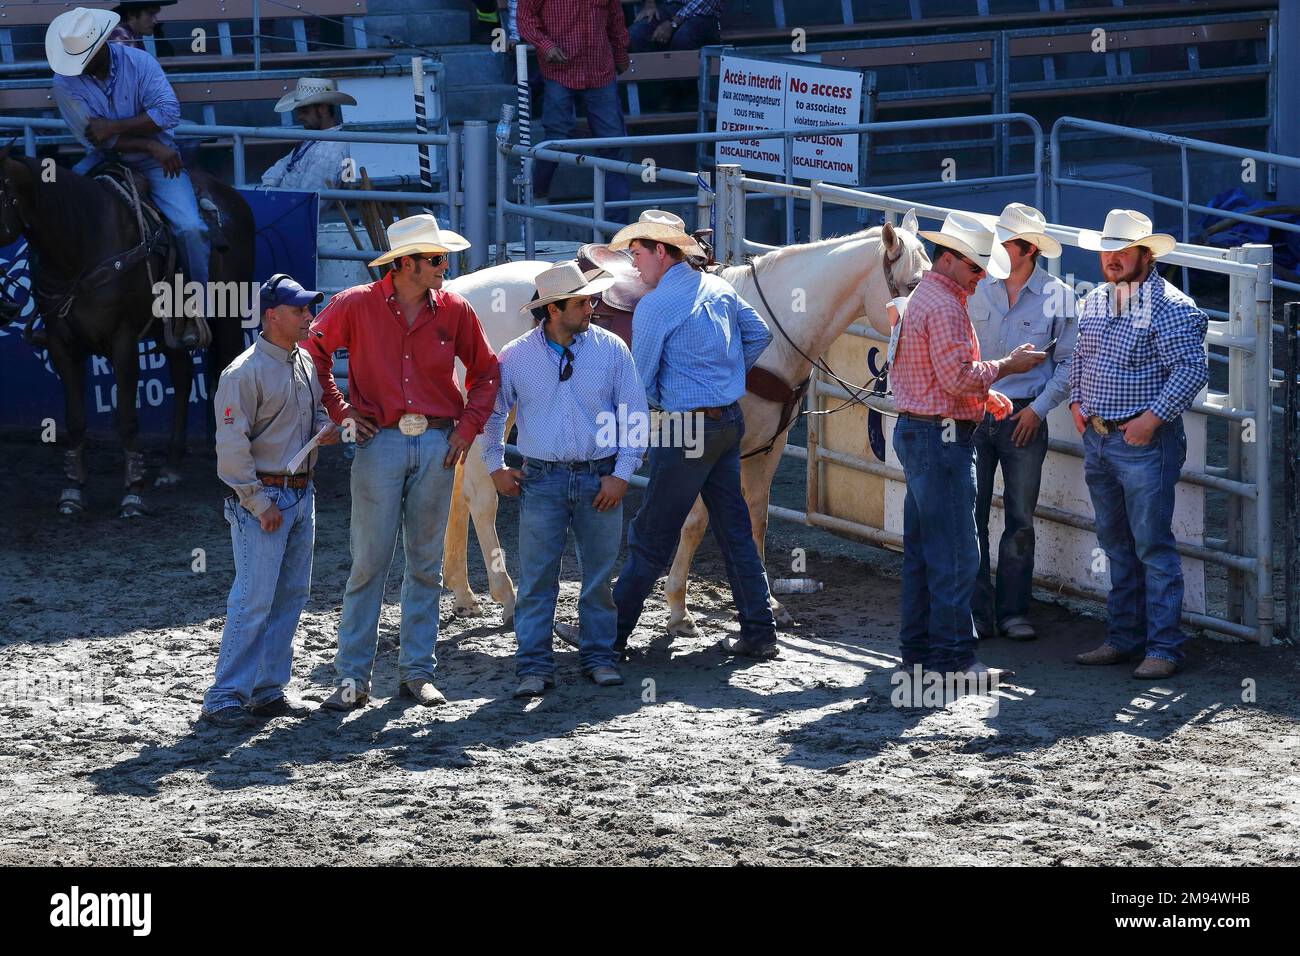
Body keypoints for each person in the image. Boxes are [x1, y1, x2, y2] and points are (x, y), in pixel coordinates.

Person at [305, 215, 500, 711]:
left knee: (424, 564)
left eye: (443, 258)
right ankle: (358, 677)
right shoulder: (356, 304)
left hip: (433, 442)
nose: (444, 266)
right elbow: (312, 353)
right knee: (370, 564)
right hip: (387, 442)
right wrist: (343, 411)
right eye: (435, 259)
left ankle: (413, 673)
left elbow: (487, 371)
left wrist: (467, 428)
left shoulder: (453, 309)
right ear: (405, 264)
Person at [606, 210, 778, 659]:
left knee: (651, 533)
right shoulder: (719, 289)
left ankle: (611, 636)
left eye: (638, 253)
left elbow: (640, 383)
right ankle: (759, 632)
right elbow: (758, 334)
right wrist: (725, 377)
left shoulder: (656, 306)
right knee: (734, 529)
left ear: (662, 252)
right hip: (726, 421)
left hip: (684, 427)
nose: (634, 263)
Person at [890, 212, 1047, 685]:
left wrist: (982, 394)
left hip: (921, 430)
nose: (982, 279)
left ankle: (919, 651)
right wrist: (1007, 367)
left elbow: (943, 377)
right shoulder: (944, 305)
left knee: (923, 548)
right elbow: (957, 375)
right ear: (952, 260)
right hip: (941, 439)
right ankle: (955, 657)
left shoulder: (927, 296)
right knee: (958, 550)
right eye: (977, 269)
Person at [482, 261, 649, 697]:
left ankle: (597, 657)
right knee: (539, 578)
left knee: (597, 577)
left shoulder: (611, 349)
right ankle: (535, 666)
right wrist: (495, 464)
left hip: (597, 476)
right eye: (582, 302)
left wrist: (622, 474)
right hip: (543, 477)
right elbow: (494, 412)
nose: (591, 307)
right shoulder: (516, 356)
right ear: (554, 310)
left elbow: (634, 413)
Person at [1070, 209, 1208, 680]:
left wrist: (1150, 420)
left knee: (1150, 545)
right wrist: (1076, 401)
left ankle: (1163, 647)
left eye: (1122, 251)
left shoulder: (1174, 307)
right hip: (1102, 438)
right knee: (1115, 542)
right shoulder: (1096, 302)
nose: (1111, 259)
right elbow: (1079, 355)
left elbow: (1191, 371)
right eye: (1107, 251)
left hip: (1144, 441)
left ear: (1145, 255)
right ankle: (1125, 638)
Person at [204, 274, 338, 728]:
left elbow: (318, 413)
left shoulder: (304, 363)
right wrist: (258, 503)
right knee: (256, 598)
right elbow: (231, 449)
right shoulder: (242, 373)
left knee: (290, 596)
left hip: (299, 492)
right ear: (271, 316)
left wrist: (329, 428)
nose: (308, 316)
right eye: (299, 310)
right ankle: (225, 694)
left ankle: (267, 689)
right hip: (268, 497)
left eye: (308, 309)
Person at [47, 7, 207, 348]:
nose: (83, 64)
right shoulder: (63, 82)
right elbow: (93, 138)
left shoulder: (140, 63)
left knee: (191, 228)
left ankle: (196, 307)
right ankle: (53, 309)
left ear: (104, 42)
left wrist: (117, 129)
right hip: (108, 159)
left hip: (151, 159)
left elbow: (168, 112)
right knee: (54, 214)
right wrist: (149, 143)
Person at [967, 203, 1076, 642]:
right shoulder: (975, 286)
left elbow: (1069, 364)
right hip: (976, 411)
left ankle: (1010, 611)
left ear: (1028, 249)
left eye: (1005, 243)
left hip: (1023, 415)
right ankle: (979, 612)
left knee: (1019, 518)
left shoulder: (1059, 296)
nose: (995, 250)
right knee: (970, 515)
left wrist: (1037, 409)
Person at [516, 0, 631, 222]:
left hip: (599, 68)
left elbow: (615, 18)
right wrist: (545, 45)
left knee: (612, 142)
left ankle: (616, 222)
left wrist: (620, 52)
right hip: (560, 68)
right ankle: (535, 191)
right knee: (556, 138)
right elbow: (525, 18)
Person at [261, 78, 356, 197]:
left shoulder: (327, 152)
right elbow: (280, 167)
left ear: (323, 109)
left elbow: (305, 201)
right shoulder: (316, 140)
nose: (299, 117)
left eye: (304, 111)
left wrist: (269, 193)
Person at [629, 0, 723, 52]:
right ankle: (652, 86)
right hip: (664, 7)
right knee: (635, 35)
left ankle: (685, 87)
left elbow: (707, 2)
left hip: (701, 13)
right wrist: (649, 3)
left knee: (683, 38)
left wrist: (672, 23)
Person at [108, 2, 175, 51]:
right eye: (150, 14)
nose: (155, 21)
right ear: (132, 14)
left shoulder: (133, 35)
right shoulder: (120, 36)